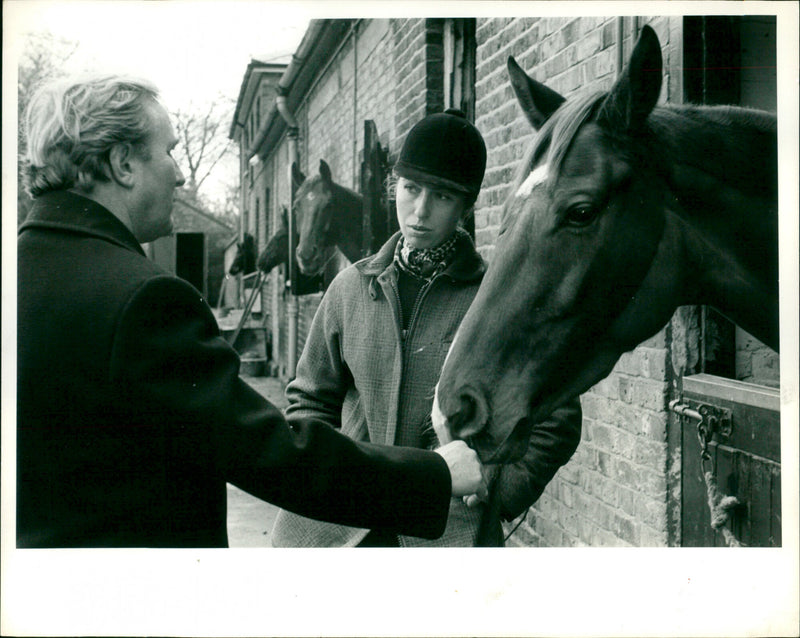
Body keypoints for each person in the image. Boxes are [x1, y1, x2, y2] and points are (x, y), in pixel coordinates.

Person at [16, 74, 486, 549]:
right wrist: (434, 476)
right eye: (169, 151)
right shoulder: (145, 300)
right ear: (122, 164)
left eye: (442, 196)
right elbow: (271, 450)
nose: (180, 174)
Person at [270, 109, 582, 547]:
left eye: (441, 196)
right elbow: (308, 400)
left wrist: (494, 490)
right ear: (393, 188)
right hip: (343, 531)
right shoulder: (350, 288)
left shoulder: (496, 299)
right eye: (410, 189)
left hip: (445, 536)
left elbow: (557, 421)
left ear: (465, 205)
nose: (420, 211)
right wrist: (325, 481)